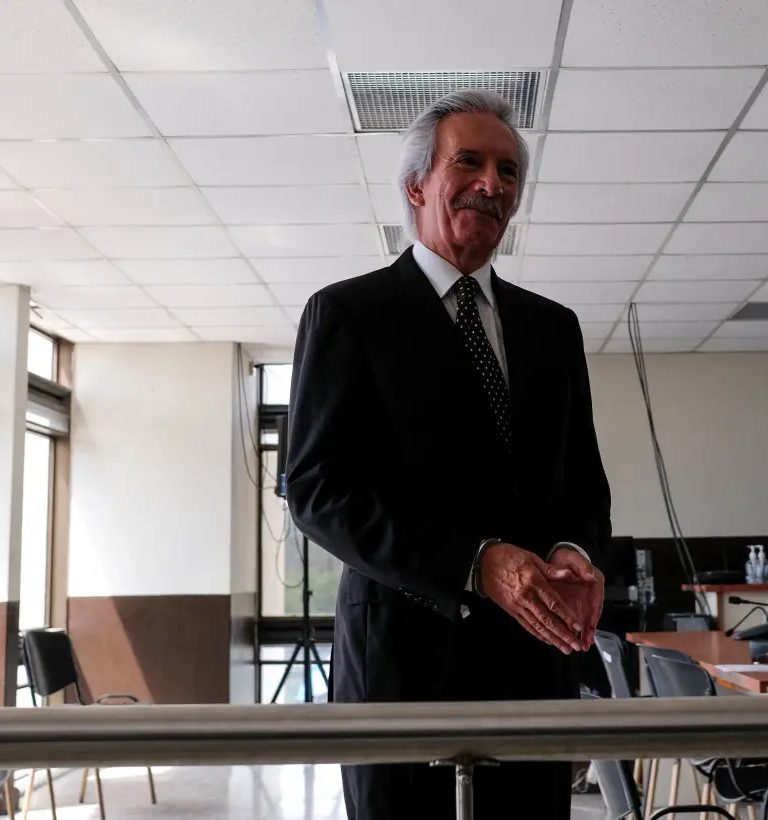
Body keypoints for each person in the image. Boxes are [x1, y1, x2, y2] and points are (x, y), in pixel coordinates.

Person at [283, 89, 612, 820]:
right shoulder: (348, 314)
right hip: (403, 669)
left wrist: (574, 551)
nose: (493, 184)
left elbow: (583, 485)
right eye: (469, 162)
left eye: (508, 172)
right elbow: (315, 488)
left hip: (533, 665)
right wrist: (477, 560)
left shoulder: (552, 330)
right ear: (416, 185)